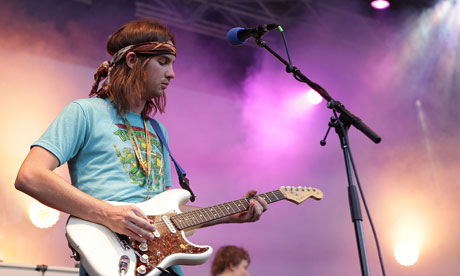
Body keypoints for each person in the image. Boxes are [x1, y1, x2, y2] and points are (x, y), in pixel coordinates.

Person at [14, 19, 268, 276]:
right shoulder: (84, 112)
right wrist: (107, 213)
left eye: (172, 64)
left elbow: (165, 217)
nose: (172, 73)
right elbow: (30, 176)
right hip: (113, 263)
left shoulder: (158, 131)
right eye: (163, 62)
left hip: (163, 267)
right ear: (133, 60)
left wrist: (231, 215)